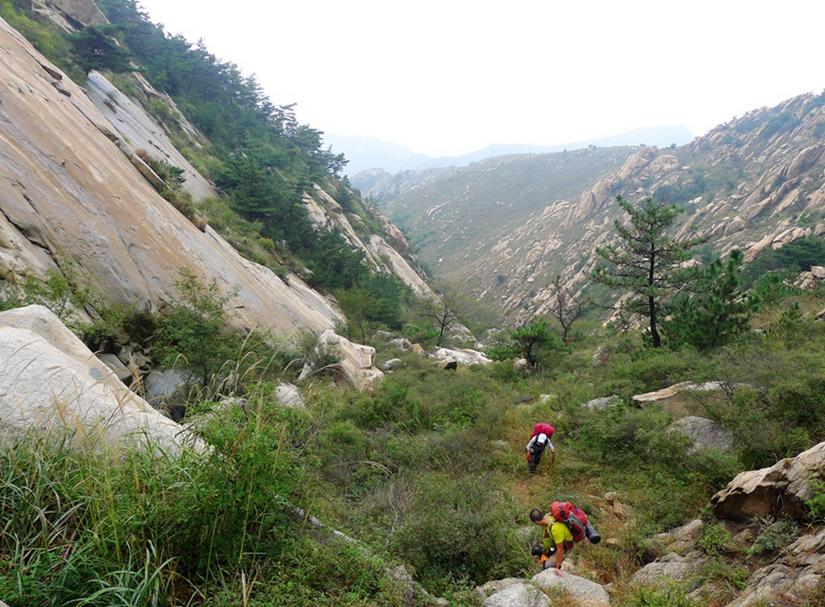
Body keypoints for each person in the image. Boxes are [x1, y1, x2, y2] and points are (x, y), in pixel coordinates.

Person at [529, 508, 573, 573]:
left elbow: (560, 549)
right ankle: (545, 558)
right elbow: (546, 535)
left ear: (537, 522)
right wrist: (542, 546)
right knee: (538, 550)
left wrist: (557, 567)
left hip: (566, 546)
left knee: (547, 566)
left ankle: (558, 565)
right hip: (556, 541)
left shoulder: (555, 528)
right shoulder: (548, 517)